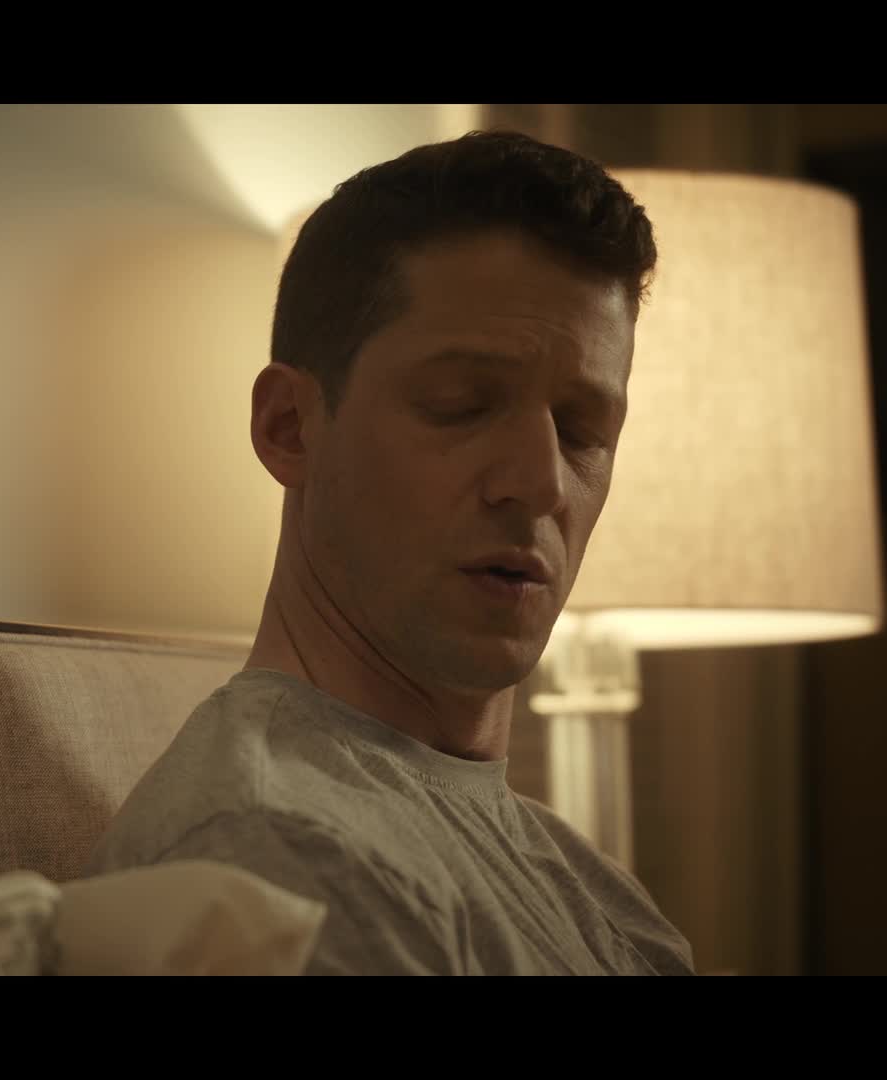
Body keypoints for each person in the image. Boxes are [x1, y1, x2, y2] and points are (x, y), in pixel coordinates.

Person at [89, 130, 696, 975]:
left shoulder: (583, 878)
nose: (540, 481)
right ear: (289, 427)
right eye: (461, 404)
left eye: (583, 430)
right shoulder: (277, 857)